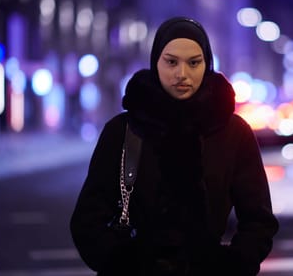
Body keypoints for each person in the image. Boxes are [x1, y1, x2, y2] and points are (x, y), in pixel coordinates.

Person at [70, 16, 279, 275]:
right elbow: (87, 221)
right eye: (171, 62)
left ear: (207, 64)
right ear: (156, 62)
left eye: (194, 63)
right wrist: (123, 265)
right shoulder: (124, 130)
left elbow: (259, 221)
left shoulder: (233, 133)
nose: (182, 74)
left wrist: (231, 266)